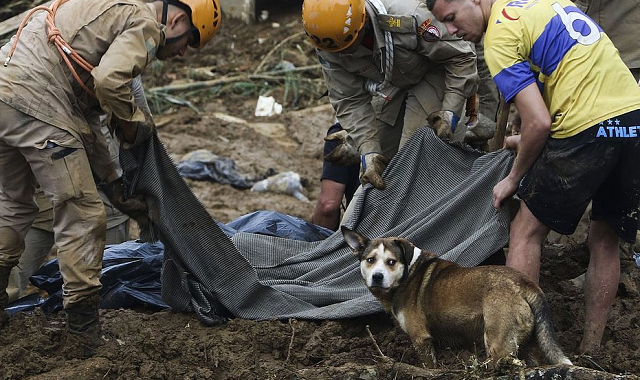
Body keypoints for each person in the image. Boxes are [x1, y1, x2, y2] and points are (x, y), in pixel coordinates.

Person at [0, 0, 221, 357]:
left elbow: (87, 124)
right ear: (179, 18)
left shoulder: (108, 16)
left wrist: (113, 183)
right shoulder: (146, 22)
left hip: (6, 95)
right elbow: (109, 82)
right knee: (84, 216)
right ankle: (83, 332)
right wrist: (134, 126)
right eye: (189, 42)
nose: (182, 54)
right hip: (37, 101)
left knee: (14, 204)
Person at [427, 0, 640, 354]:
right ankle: (592, 350)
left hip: (586, 127)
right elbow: (559, 89)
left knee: (525, 231)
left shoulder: (499, 34)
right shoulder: (541, 3)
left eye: (451, 18)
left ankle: (517, 350)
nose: (451, 31)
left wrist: (513, 177)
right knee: (605, 239)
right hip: (632, 121)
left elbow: (540, 123)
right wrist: (521, 138)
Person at [302, 0, 478, 190]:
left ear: (364, 23)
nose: (343, 54)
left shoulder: (409, 15)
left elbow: (461, 56)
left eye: (348, 47)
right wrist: (369, 150)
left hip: (436, 72)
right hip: (392, 82)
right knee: (377, 171)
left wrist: (451, 109)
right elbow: (349, 100)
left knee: (413, 161)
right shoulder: (328, 43)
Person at [312, 122, 361, 231]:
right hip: (402, 232)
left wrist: (320, 244)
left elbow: (328, 205)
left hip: (361, 237)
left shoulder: (343, 134)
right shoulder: (406, 136)